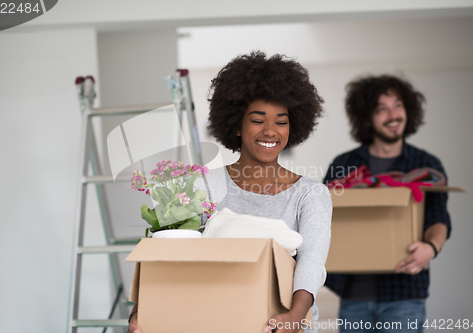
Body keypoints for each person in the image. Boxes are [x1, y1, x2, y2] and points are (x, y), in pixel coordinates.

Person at [128, 51, 332, 333]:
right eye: (258, 120)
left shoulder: (311, 194)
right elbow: (164, 250)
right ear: (237, 125)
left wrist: (296, 316)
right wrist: (142, 310)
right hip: (213, 320)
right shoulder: (201, 185)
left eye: (281, 121)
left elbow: (311, 263)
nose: (270, 131)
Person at [323, 75, 451, 333]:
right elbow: (324, 218)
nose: (393, 115)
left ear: (408, 110)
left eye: (398, 105)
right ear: (367, 117)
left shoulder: (426, 166)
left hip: (404, 294)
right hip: (353, 296)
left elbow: (438, 218)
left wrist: (431, 248)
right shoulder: (343, 165)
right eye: (381, 109)